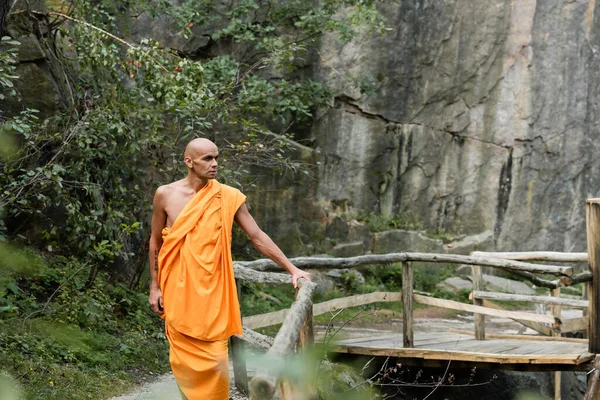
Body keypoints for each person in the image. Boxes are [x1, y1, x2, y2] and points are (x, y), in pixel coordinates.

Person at [148, 138, 311, 399]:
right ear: (188, 162)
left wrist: (292, 269)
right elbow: (155, 240)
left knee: (215, 362)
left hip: (213, 296)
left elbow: (257, 236)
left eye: (216, 158)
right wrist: (155, 286)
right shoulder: (165, 194)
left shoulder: (229, 196)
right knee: (182, 365)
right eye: (207, 159)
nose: (215, 164)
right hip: (177, 291)